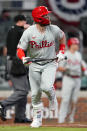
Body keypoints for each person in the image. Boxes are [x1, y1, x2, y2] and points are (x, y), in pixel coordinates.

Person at [17, 6, 66, 127]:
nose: (48, 17)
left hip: (50, 63)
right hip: (34, 64)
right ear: (38, 18)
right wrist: (23, 58)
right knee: (35, 94)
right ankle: (37, 119)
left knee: (47, 87)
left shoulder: (54, 29)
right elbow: (20, 49)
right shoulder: (29, 32)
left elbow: (62, 37)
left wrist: (61, 52)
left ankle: (52, 97)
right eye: (45, 15)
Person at [0, 14, 32, 123]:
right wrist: (26, 28)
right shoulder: (15, 30)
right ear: (21, 21)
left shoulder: (15, 30)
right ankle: (2, 104)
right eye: (24, 21)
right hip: (15, 61)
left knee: (23, 90)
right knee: (22, 91)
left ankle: (20, 117)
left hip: (16, 61)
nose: (26, 23)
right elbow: (20, 32)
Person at [58, 37, 87, 123]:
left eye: (77, 44)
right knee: (66, 99)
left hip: (77, 79)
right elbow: (59, 67)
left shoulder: (78, 54)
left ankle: (71, 118)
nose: (77, 45)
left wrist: (84, 70)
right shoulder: (65, 54)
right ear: (71, 45)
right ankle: (61, 119)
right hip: (68, 77)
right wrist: (65, 69)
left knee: (74, 100)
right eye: (75, 44)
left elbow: (83, 65)